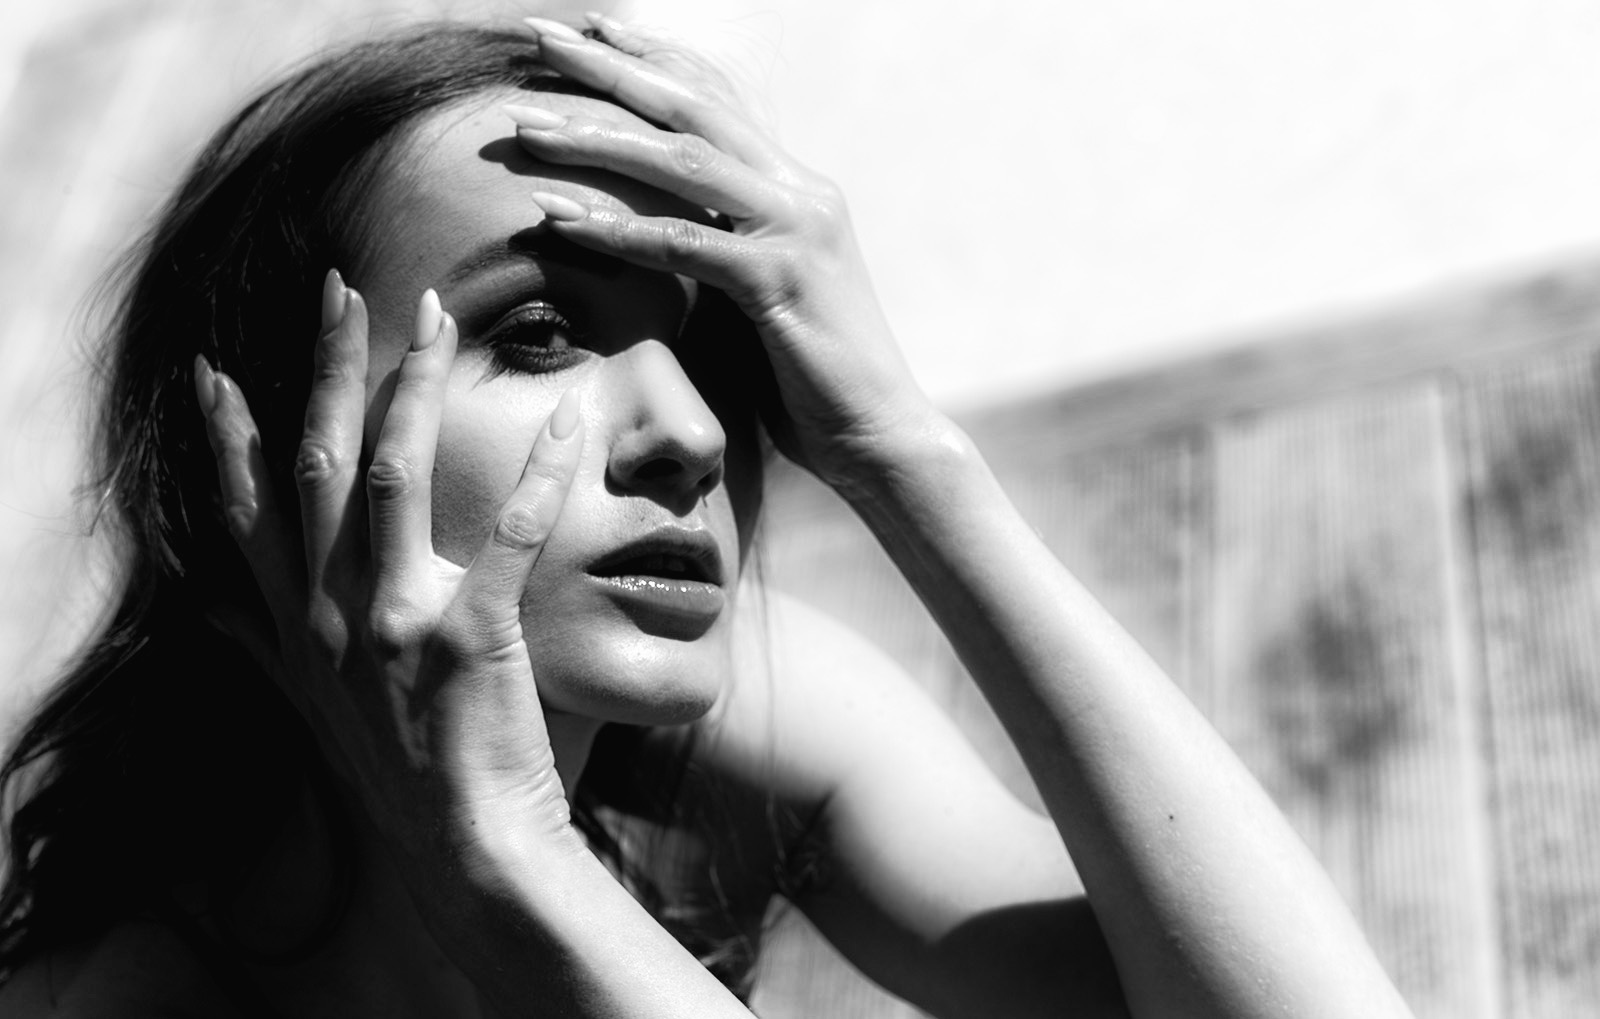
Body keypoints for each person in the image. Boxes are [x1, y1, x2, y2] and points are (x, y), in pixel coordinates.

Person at [0, 15, 1416, 1018]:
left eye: (725, 360)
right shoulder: (134, 985)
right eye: (544, 332)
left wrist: (908, 459)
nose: (687, 432)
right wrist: (509, 862)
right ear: (248, 448)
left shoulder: (721, 746)